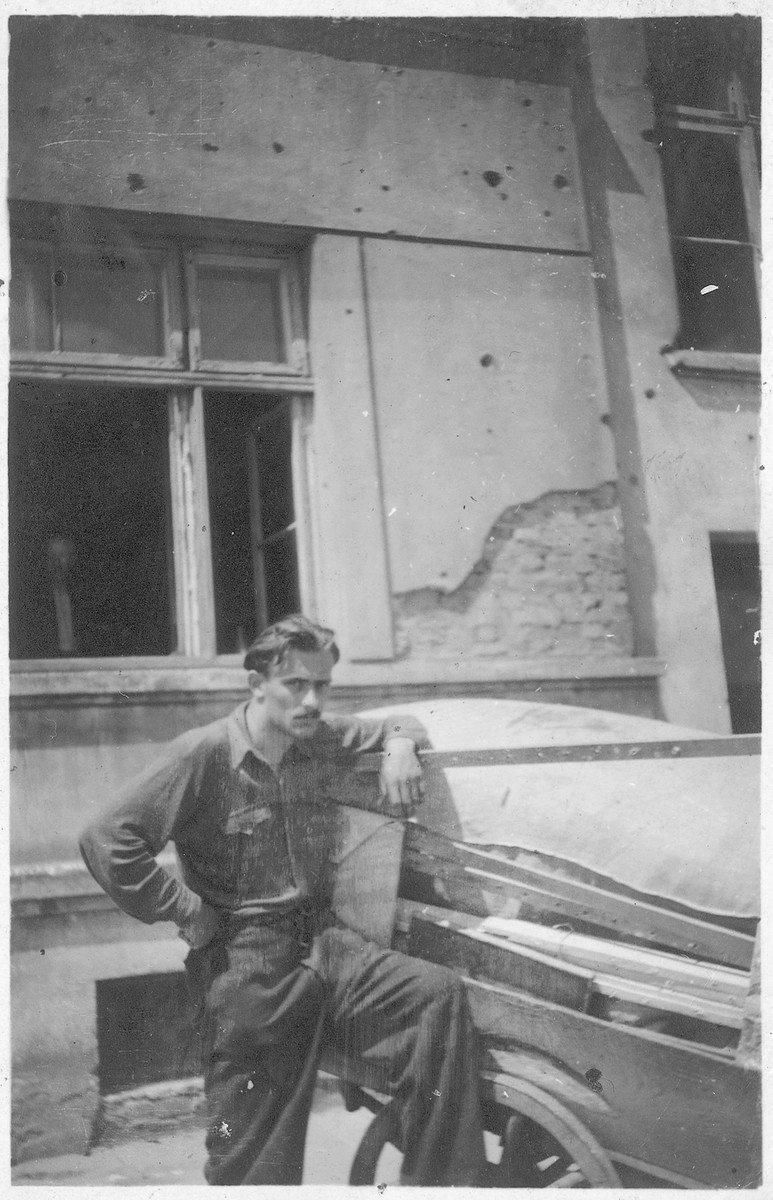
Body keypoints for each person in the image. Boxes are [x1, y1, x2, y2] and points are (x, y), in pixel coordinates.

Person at [80, 614, 487, 1186]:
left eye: (322, 685)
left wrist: (399, 747)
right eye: (296, 685)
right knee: (251, 1157)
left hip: (326, 944)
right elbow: (106, 836)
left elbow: (403, 720)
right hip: (246, 966)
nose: (313, 699)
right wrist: (186, 909)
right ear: (256, 685)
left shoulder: (314, 737)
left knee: (435, 997)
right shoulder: (202, 755)